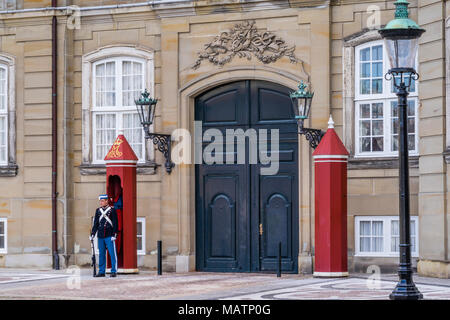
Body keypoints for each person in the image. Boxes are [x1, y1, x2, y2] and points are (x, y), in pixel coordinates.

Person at [90, 194, 118, 278]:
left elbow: (115, 223)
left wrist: (114, 234)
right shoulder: (98, 211)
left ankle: (113, 271)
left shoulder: (112, 210)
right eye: (100, 201)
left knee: (112, 254)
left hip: (109, 235)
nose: (101, 203)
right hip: (101, 235)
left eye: (102, 201)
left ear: (106, 201)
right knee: (101, 254)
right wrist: (93, 234)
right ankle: (102, 271)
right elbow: (96, 224)